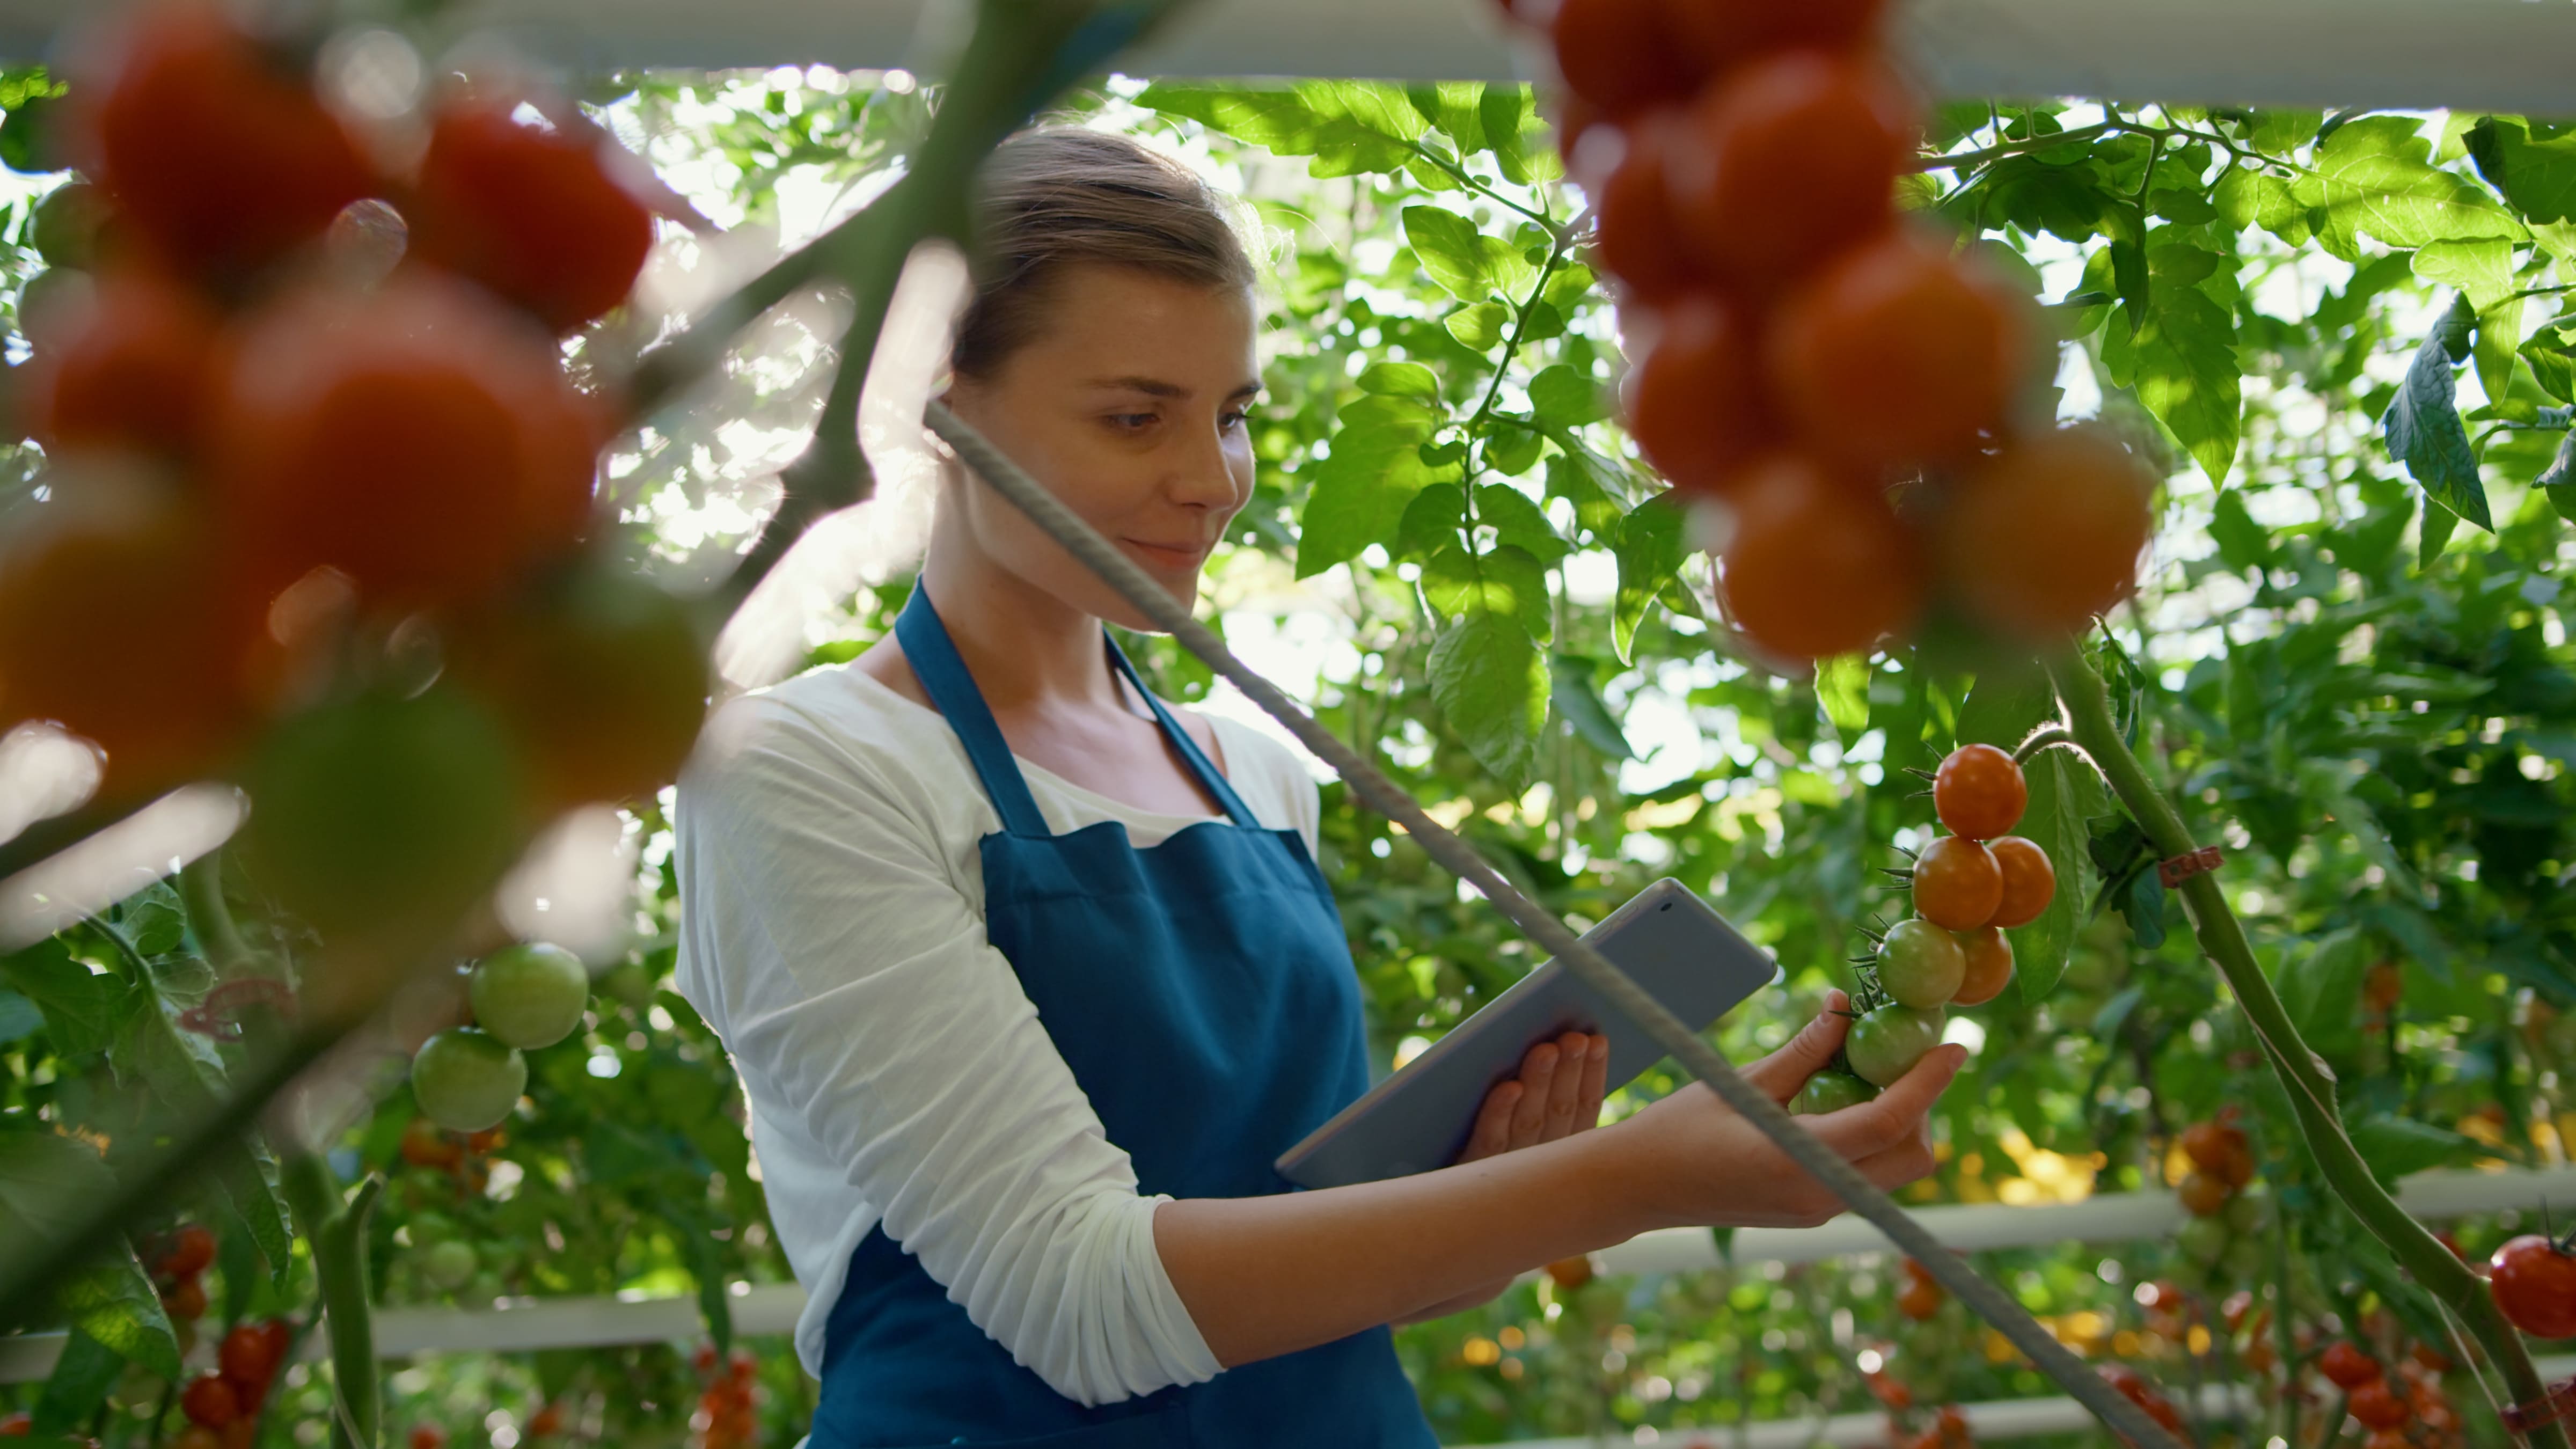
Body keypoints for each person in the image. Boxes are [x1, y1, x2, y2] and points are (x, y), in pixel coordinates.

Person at [672, 127, 1964, 1448]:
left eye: (1232, 415)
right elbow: (1077, 1301)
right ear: (939, 404)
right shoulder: (802, 768)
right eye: (1135, 416)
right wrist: (1625, 1181)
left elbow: (1361, 1278)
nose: (1211, 480)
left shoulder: (1257, 771)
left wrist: (1509, 1190)